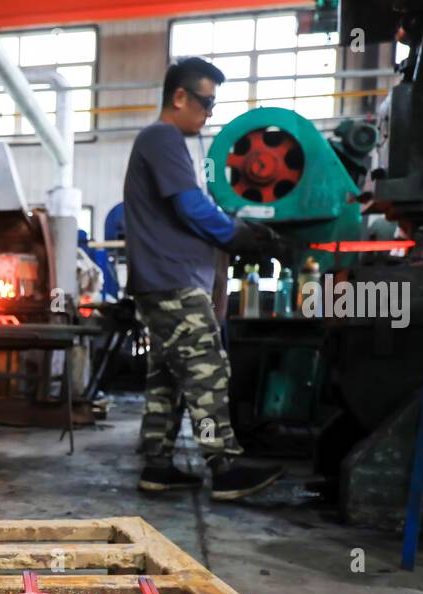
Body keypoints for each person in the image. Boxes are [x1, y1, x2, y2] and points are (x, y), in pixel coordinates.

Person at [124, 56, 284, 500]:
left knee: (169, 375)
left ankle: (157, 466)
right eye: (206, 103)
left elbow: (193, 207)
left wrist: (233, 236)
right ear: (180, 97)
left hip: (163, 280)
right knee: (206, 371)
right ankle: (224, 465)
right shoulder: (161, 137)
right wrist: (238, 234)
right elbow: (191, 207)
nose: (210, 114)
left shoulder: (169, 143)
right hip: (171, 281)